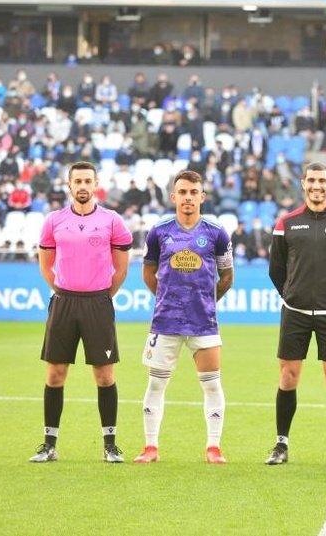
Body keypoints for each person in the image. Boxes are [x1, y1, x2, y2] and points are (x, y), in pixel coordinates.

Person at [264, 162, 326, 466]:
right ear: (303, 183)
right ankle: (281, 444)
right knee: (287, 377)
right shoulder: (287, 223)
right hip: (294, 312)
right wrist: (290, 294)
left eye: (322, 180)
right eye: (311, 180)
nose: (316, 186)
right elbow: (276, 269)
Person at [30, 161, 133, 463]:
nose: (84, 186)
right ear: (70, 185)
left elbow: (122, 269)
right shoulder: (53, 220)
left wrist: (101, 296)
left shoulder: (112, 221)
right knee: (55, 373)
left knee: (103, 375)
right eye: (78, 181)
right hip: (63, 302)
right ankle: (49, 445)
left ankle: (110, 445)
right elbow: (46, 266)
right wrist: (64, 289)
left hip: (98, 303)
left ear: (96, 183)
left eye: (88, 180)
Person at [133, 170, 234, 464]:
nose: (188, 197)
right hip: (166, 321)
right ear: (173, 196)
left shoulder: (217, 233)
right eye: (183, 192)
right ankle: (151, 447)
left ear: (202, 197)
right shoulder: (159, 232)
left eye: (193, 192)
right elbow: (148, 273)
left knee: (212, 384)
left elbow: (227, 276)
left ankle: (213, 447)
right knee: (156, 384)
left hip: (203, 321)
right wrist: (169, 299)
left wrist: (205, 301)